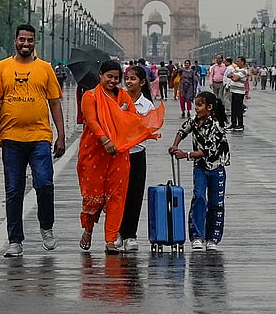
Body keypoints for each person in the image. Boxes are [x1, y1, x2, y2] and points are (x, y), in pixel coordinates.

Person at [0, 24, 66, 258]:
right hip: (10, 139)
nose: (26, 44)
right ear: (15, 41)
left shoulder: (45, 68)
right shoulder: (2, 68)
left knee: (44, 185)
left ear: (35, 42)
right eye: (22, 39)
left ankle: (46, 227)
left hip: (40, 137)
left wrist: (60, 135)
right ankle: (15, 240)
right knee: (13, 190)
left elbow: (55, 103)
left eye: (30, 40)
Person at [77, 60, 163, 254]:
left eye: (117, 78)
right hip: (95, 153)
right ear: (101, 75)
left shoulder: (123, 96)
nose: (113, 81)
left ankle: (110, 239)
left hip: (119, 154)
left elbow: (133, 120)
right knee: (94, 197)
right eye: (110, 77)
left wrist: (144, 130)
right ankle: (88, 229)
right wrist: (106, 141)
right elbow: (91, 121)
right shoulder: (90, 96)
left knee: (117, 196)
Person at [169, 90, 230, 251]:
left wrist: (186, 155)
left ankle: (213, 238)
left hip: (216, 168)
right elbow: (182, 131)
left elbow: (210, 150)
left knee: (216, 203)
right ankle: (197, 236)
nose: (196, 108)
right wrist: (175, 145)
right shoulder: (195, 121)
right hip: (200, 167)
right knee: (199, 197)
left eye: (199, 105)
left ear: (209, 107)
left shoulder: (216, 125)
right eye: (196, 104)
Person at [116, 65, 156, 252]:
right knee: (118, 195)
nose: (129, 81)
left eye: (133, 79)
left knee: (135, 195)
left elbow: (150, 128)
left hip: (137, 154)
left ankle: (130, 235)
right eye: (127, 78)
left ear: (142, 82)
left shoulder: (147, 105)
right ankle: (117, 233)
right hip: (119, 154)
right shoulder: (117, 100)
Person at [226, 56, 247, 132]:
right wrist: (233, 76)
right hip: (233, 91)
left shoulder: (244, 71)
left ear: (242, 62)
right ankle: (233, 124)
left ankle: (240, 125)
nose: (237, 62)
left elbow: (235, 79)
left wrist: (233, 76)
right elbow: (228, 75)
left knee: (238, 109)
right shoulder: (237, 69)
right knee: (233, 109)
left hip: (239, 92)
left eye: (238, 61)